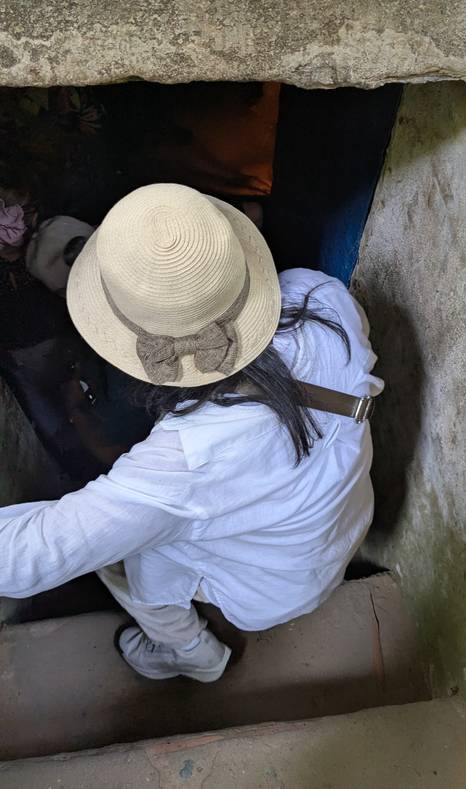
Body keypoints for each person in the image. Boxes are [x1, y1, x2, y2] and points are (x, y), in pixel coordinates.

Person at [0, 183, 383, 683]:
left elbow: (34, 554)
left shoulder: (186, 460)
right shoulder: (318, 293)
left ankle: (191, 653)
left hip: (272, 589)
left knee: (122, 551)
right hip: (343, 521)